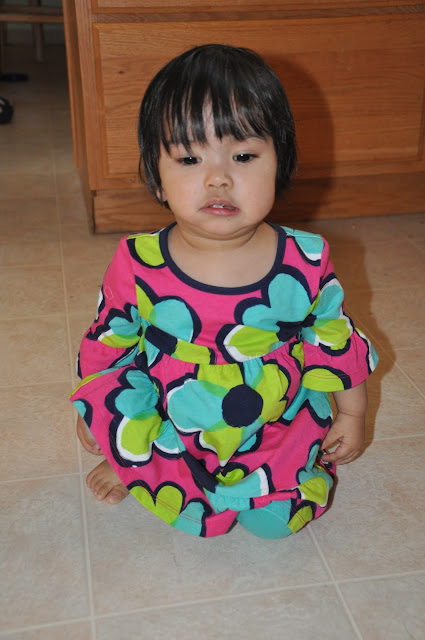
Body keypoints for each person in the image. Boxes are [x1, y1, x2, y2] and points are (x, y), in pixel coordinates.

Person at [71, 44, 378, 539]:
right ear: (157, 177)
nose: (218, 178)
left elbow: (334, 340)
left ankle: (265, 482)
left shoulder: (305, 259)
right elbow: (110, 341)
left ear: (280, 163)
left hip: (269, 415)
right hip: (170, 411)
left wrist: (352, 413)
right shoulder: (137, 261)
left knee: (281, 518)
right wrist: (96, 413)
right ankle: (137, 465)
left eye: (243, 156)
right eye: (190, 158)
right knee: (130, 423)